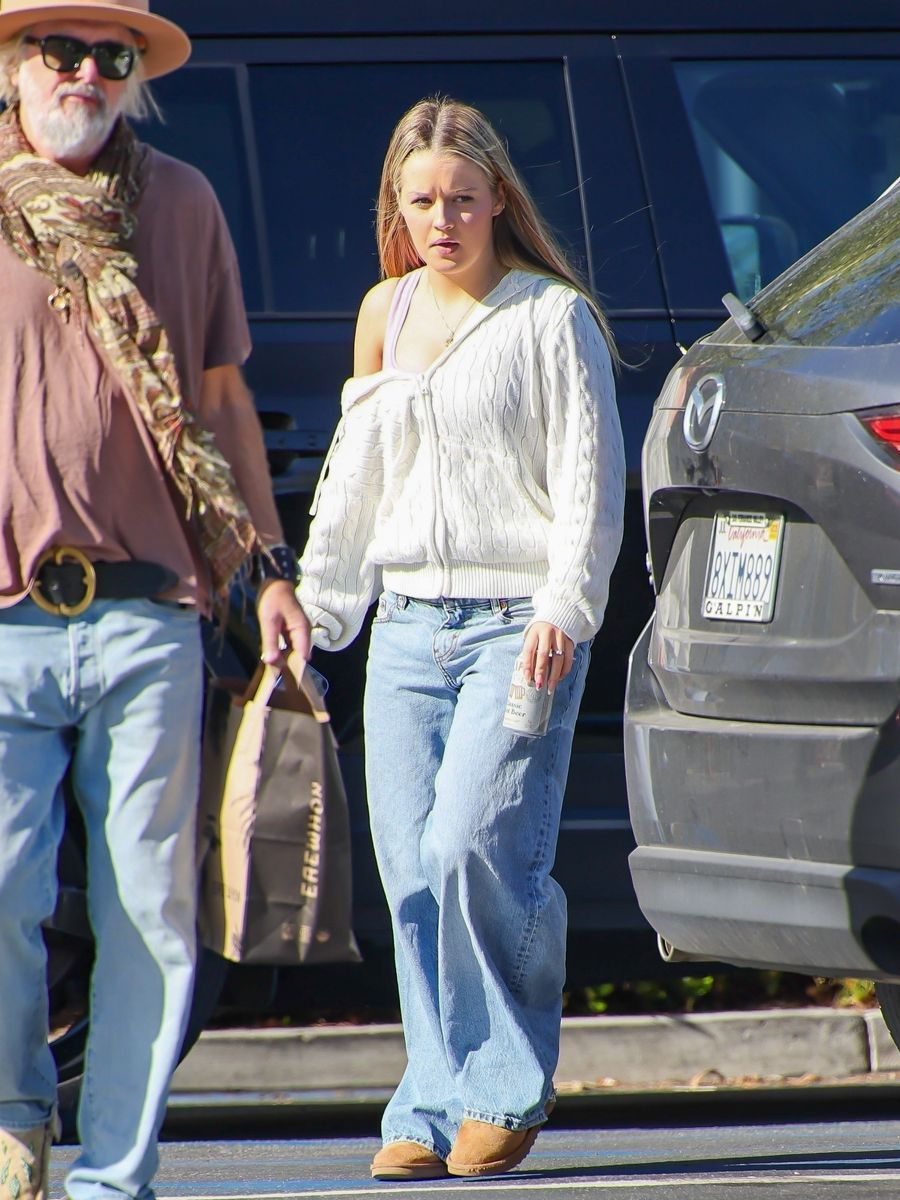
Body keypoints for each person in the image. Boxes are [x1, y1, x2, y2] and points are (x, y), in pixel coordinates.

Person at [0, 2, 310, 1199]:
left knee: (151, 914)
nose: (84, 73)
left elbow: (221, 397)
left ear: (134, 75)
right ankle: (18, 1108)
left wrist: (266, 568)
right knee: (8, 891)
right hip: (8, 614)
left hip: (151, 610)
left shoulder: (178, 202)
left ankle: (114, 1176)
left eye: (109, 57)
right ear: (15, 69)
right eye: (59, 52)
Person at [296, 96, 625, 1180]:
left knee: (472, 848)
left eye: (464, 201)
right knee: (411, 876)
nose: (444, 221)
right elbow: (354, 478)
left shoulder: (550, 317)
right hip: (402, 631)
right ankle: (428, 1104)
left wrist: (564, 609)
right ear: (397, 205)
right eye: (422, 201)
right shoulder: (382, 314)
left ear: (498, 202)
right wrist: (321, 607)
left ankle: (507, 1086)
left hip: (512, 627)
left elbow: (590, 479)